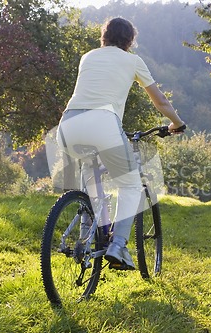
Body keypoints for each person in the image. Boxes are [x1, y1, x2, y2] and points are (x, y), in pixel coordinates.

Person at [57, 17, 185, 270]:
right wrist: (176, 124)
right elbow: (161, 102)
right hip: (104, 123)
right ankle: (119, 246)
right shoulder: (133, 61)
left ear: (104, 36)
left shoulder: (88, 56)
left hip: (68, 125)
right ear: (130, 41)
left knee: (89, 173)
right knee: (131, 185)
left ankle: (87, 231)